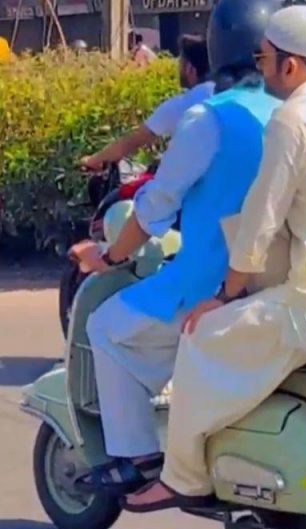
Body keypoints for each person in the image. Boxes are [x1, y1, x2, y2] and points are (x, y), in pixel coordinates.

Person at [124, 4, 306, 511]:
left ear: (290, 64)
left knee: (199, 337)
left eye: (262, 59)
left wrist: (224, 296)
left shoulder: (293, 119)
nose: (260, 71)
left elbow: (260, 223)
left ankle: (182, 476)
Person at [67, 0, 285, 496]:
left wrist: (107, 257)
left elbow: (154, 210)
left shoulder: (206, 118)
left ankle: (139, 458)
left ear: (215, 48)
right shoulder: (289, 113)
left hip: (209, 284)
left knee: (106, 327)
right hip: (278, 284)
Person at [81, 35, 214, 172]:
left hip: (190, 183)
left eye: (180, 64)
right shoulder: (224, 96)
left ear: (190, 69)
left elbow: (132, 142)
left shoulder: (181, 105)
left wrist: (93, 160)